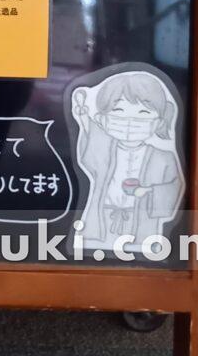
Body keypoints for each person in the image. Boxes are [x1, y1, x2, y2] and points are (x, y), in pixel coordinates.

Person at [72, 71, 184, 250]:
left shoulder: (164, 157)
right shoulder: (105, 151)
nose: (130, 120)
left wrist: (147, 191)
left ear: (158, 122)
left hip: (142, 224)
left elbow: (174, 186)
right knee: (98, 253)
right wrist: (84, 118)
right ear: (104, 119)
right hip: (102, 220)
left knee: (139, 253)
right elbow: (93, 144)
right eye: (118, 111)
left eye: (143, 112)